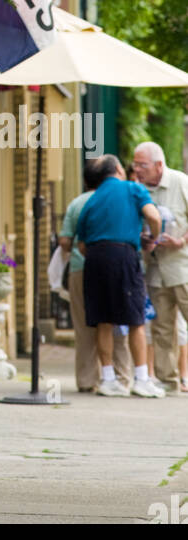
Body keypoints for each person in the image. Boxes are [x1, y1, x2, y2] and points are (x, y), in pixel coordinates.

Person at [76, 154, 162, 397]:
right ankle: (142, 379)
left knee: (103, 319)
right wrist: (153, 238)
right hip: (123, 255)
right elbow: (154, 216)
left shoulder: (90, 201)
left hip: (94, 258)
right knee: (135, 318)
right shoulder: (133, 188)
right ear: (117, 169)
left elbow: (81, 245)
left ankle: (108, 379)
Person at [59, 158, 131, 394]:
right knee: (118, 324)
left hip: (82, 269)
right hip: (117, 267)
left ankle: (87, 379)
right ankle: (122, 376)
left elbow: (65, 241)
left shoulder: (77, 204)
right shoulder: (122, 197)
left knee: (84, 327)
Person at [132, 141, 188, 393]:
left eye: (141, 165)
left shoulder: (180, 182)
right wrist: (144, 240)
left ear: (158, 165)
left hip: (182, 266)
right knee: (163, 328)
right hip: (156, 270)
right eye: (134, 164)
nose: (137, 169)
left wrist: (182, 241)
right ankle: (168, 381)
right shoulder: (138, 190)